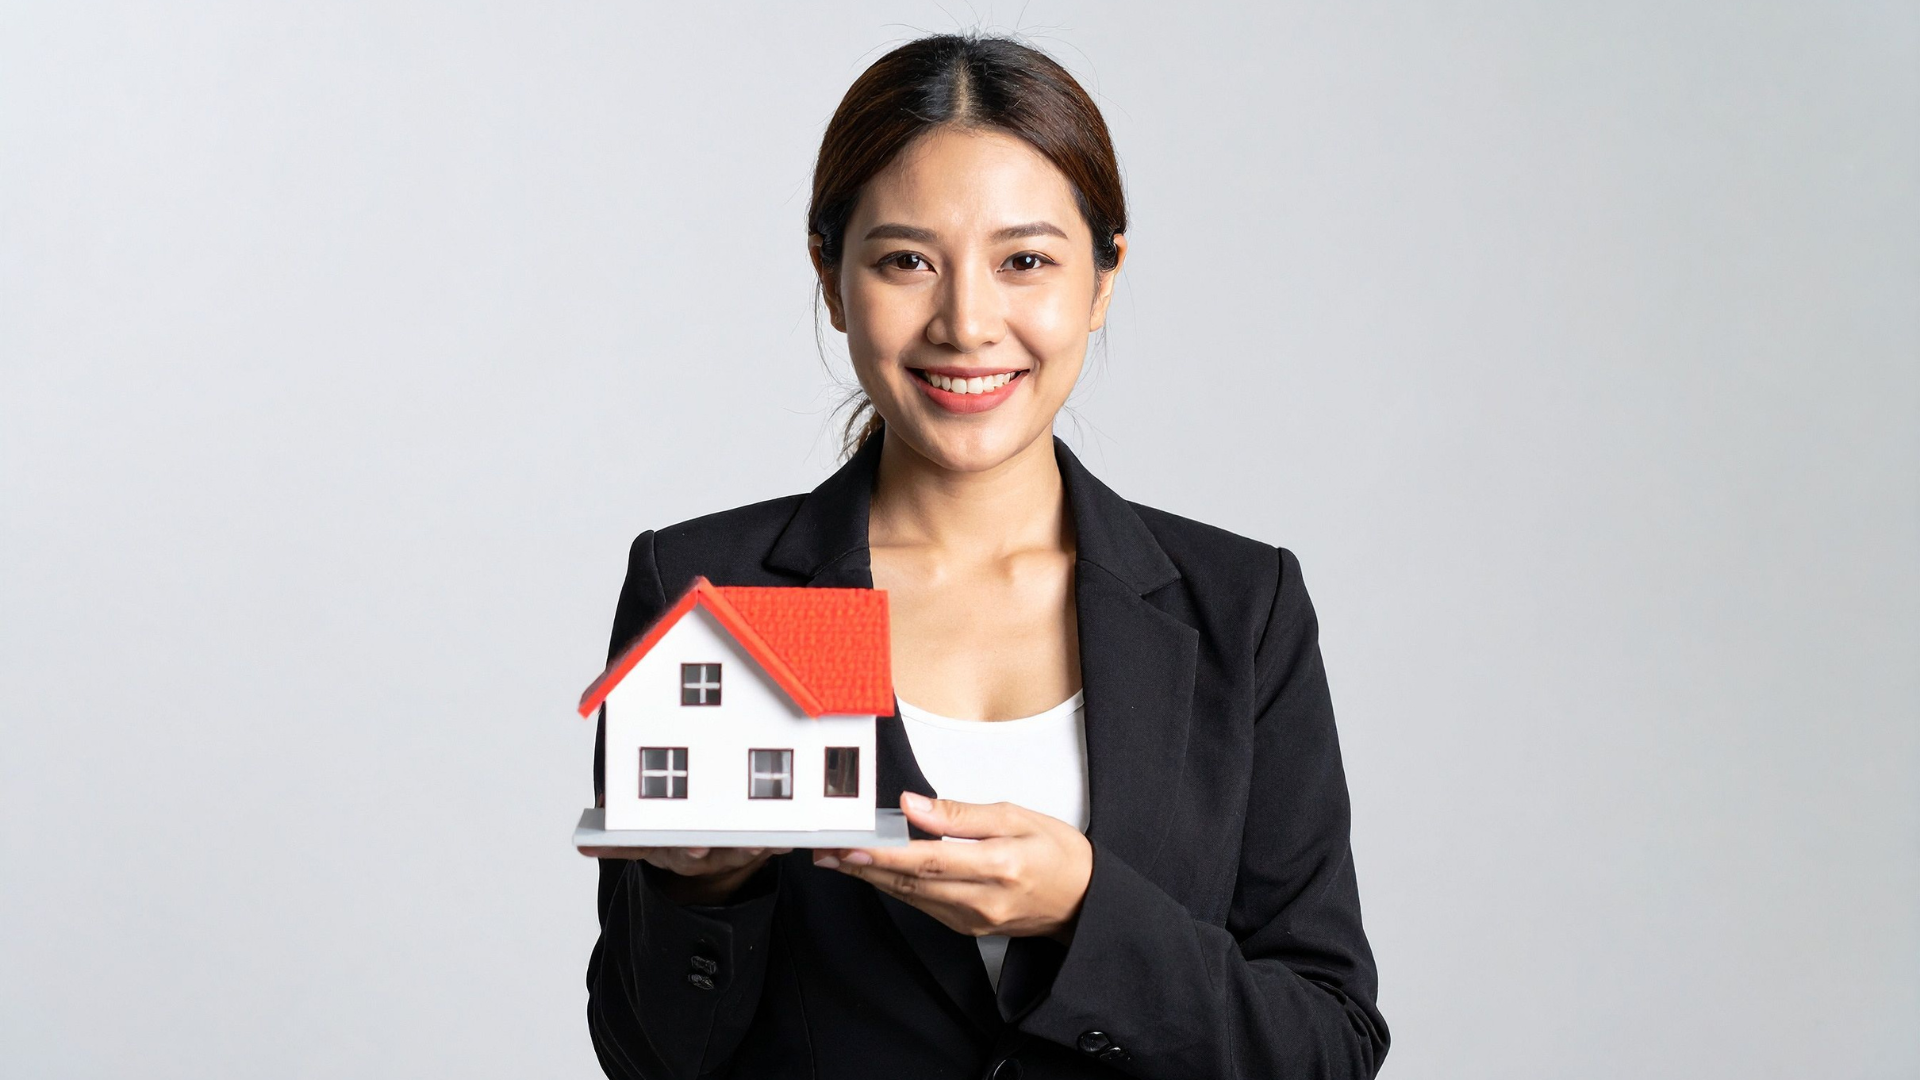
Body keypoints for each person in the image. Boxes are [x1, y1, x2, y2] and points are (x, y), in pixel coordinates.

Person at [578, 31, 1390, 1080]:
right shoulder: (716, 593)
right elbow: (645, 1058)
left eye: (1026, 261)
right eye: (907, 261)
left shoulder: (1240, 607)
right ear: (832, 278)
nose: (967, 323)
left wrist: (1087, 912)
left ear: (1103, 280)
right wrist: (703, 889)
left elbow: (1328, 1048)